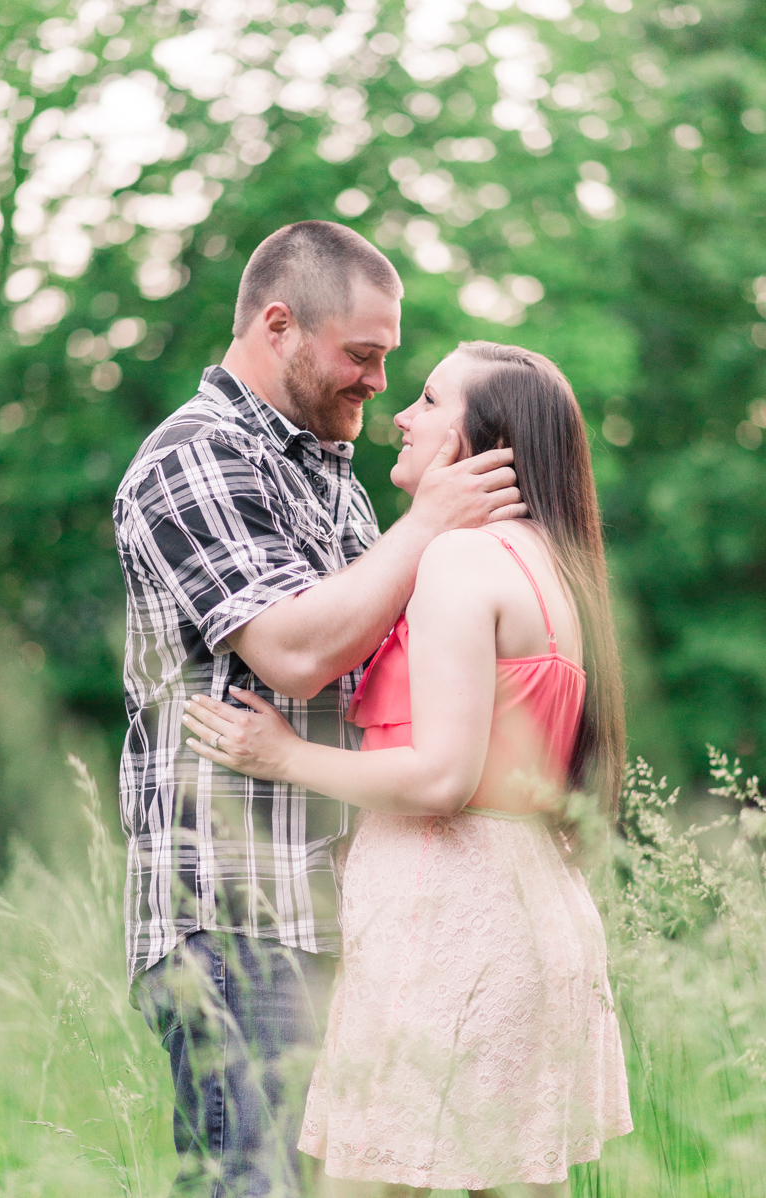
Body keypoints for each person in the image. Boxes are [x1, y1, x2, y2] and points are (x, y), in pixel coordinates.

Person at [113, 223, 526, 1197]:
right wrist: (427, 524)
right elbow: (293, 652)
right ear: (278, 325)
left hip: (346, 918)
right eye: (363, 354)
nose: (380, 381)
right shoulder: (194, 459)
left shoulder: (332, 476)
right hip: (236, 918)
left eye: (388, 357)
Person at [182, 341, 634, 1196]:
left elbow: (440, 780)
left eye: (429, 402)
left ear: (478, 446)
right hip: (528, 902)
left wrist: (283, 754)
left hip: (453, 919)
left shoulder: (464, 561)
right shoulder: (556, 564)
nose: (402, 415)